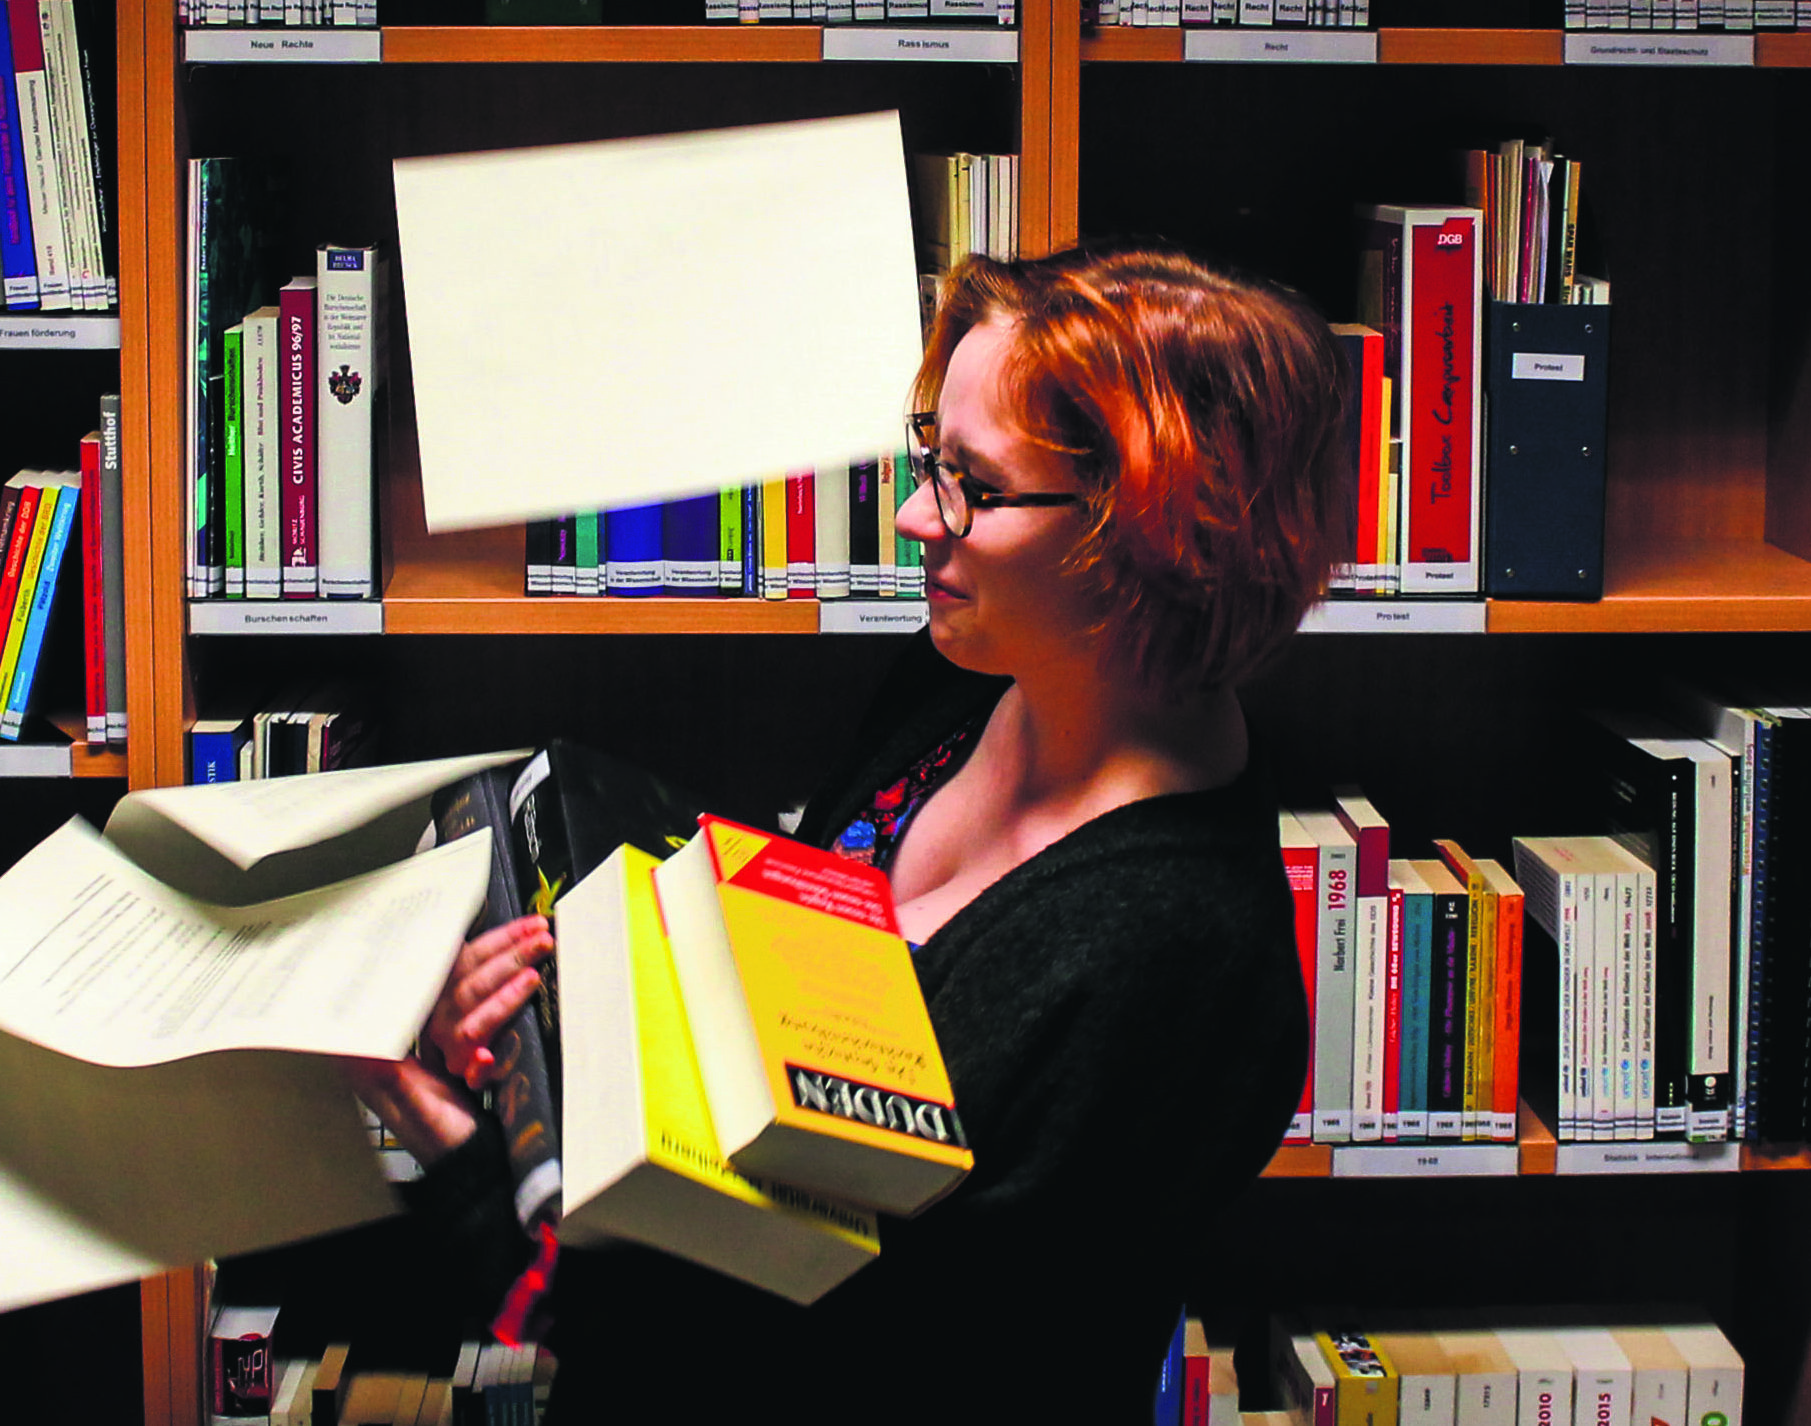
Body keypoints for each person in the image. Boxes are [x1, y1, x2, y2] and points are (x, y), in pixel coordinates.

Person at [351, 244, 1348, 1421]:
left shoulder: (1179, 960)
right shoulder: (966, 677)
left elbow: (831, 1363)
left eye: (976, 486)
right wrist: (560, 1025)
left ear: (1150, 533)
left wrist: (476, 1167)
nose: (919, 515)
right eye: (931, 462)